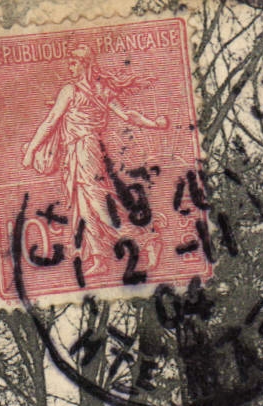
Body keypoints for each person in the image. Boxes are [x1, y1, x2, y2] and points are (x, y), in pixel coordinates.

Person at [21, 45, 170, 276]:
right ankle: (98, 258)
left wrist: (31, 150)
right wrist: (154, 124)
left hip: (87, 150)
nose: (70, 67)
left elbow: (51, 121)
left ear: (86, 64)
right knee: (83, 208)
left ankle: (147, 239)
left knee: (100, 206)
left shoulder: (74, 91)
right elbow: (125, 115)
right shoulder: (93, 90)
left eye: (74, 63)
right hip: (75, 153)